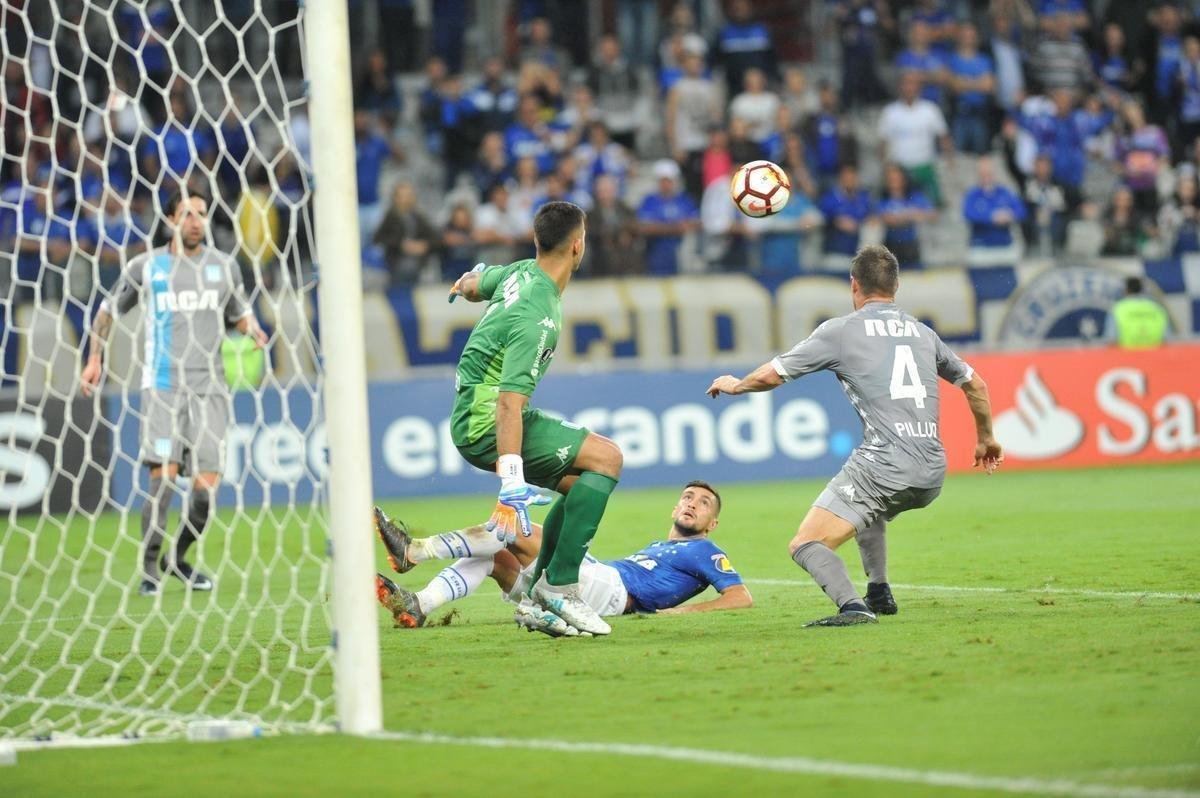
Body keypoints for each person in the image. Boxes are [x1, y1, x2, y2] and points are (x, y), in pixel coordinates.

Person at [705, 244, 1002, 627]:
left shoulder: (841, 331)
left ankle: (852, 607)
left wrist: (736, 386)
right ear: (895, 286)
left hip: (886, 464)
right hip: (931, 470)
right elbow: (975, 384)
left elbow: (771, 375)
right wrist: (986, 439)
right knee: (862, 506)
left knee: (806, 543)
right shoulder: (922, 333)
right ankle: (878, 590)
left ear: (854, 285)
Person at [420, 202, 624, 636]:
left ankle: (538, 595)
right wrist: (511, 479)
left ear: (536, 242)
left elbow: (479, 284)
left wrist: (466, 284)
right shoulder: (539, 314)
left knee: (580, 485)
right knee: (607, 459)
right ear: (578, 246)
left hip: (475, 414)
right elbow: (509, 404)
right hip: (485, 424)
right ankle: (561, 590)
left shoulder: (517, 273)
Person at [79, 190, 268, 596]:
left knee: (205, 491)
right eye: (187, 214)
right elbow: (107, 312)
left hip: (210, 388)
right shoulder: (146, 266)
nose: (196, 221)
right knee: (162, 480)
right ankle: (149, 568)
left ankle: (177, 559)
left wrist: (251, 329)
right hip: (163, 385)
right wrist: (95, 359)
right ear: (170, 220)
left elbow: (238, 314)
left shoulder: (224, 267)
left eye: (201, 213)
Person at [372, 481, 753, 636]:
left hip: (610, 593)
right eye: (688, 496)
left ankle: (414, 551)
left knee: (520, 528)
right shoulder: (660, 545)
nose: (692, 504)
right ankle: (419, 604)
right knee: (495, 556)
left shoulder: (705, 550)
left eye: (703, 503)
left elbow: (740, 598)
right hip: (594, 582)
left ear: (712, 523)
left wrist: (680, 614)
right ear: (676, 504)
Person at [1105, 275, 1169, 349]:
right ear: (1142, 289)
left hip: (1128, 356)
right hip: (1154, 355)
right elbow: (1167, 339)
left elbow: (1111, 340)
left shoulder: (1118, 308)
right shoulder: (1156, 308)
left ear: (1126, 290)